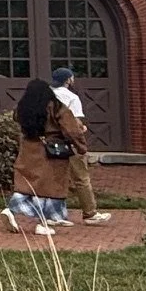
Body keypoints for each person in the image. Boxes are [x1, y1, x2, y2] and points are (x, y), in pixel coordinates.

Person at [2, 77, 79, 237]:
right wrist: (80, 146)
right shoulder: (56, 107)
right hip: (51, 151)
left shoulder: (23, 107)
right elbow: (71, 129)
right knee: (49, 187)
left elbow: (17, 120)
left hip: (28, 149)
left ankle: (11, 210)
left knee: (27, 185)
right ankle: (43, 223)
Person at [50, 67, 111, 225]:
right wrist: (82, 133)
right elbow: (75, 123)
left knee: (56, 177)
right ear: (68, 80)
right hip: (70, 142)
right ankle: (90, 214)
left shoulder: (47, 96)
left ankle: (53, 215)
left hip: (52, 142)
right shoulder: (72, 97)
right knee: (81, 178)